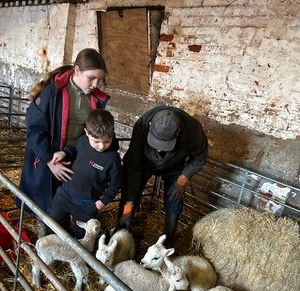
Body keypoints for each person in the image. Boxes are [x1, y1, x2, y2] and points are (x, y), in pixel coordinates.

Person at [18, 48, 109, 215]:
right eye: (91, 78)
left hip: (73, 156)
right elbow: (35, 129)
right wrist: (49, 161)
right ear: (77, 70)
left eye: (99, 80)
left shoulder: (96, 99)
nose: (95, 85)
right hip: (46, 155)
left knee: (64, 200)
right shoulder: (53, 92)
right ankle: (42, 229)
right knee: (41, 201)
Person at [119, 105, 208, 247]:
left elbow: (199, 157)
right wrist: (128, 207)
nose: (159, 148)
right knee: (130, 193)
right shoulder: (142, 124)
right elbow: (134, 167)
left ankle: (167, 241)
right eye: (156, 142)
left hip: (174, 166)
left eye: (165, 143)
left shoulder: (193, 129)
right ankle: (122, 230)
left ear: (179, 131)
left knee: (174, 198)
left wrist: (181, 181)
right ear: (150, 126)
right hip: (143, 163)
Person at [47, 109, 122, 238]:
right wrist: (64, 153)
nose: (101, 146)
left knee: (83, 236)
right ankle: (58, 247)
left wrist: (102, 202)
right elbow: (73, 150)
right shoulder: (82, 141)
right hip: (65, 194)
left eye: (107, 141)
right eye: (96, 141)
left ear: (112, 134)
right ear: (87, 133)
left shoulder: (112, 159)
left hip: (87, 204)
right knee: (53, 222)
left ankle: (77, 255)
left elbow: (116, 184)